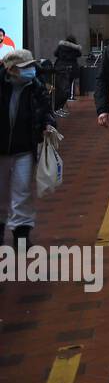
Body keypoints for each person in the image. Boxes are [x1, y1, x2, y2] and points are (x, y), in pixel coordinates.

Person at [0, 50, 56, 247]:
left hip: (24, 148)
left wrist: (48, 124)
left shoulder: (36, 87)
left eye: (31, 66)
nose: (30, 71)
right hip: (1, 151)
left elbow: (46, 111)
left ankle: (21, 234)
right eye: (25, 68)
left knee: (22, 191)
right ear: (11, 69)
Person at [52, 34, 82, 109]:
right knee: (69, 85)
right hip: (71, 68)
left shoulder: (61, 46)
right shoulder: (75, 48)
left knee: (60, 86)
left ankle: (58, 105)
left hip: (60, 66)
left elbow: (55, 54)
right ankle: (67, 99)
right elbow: (79, 55)